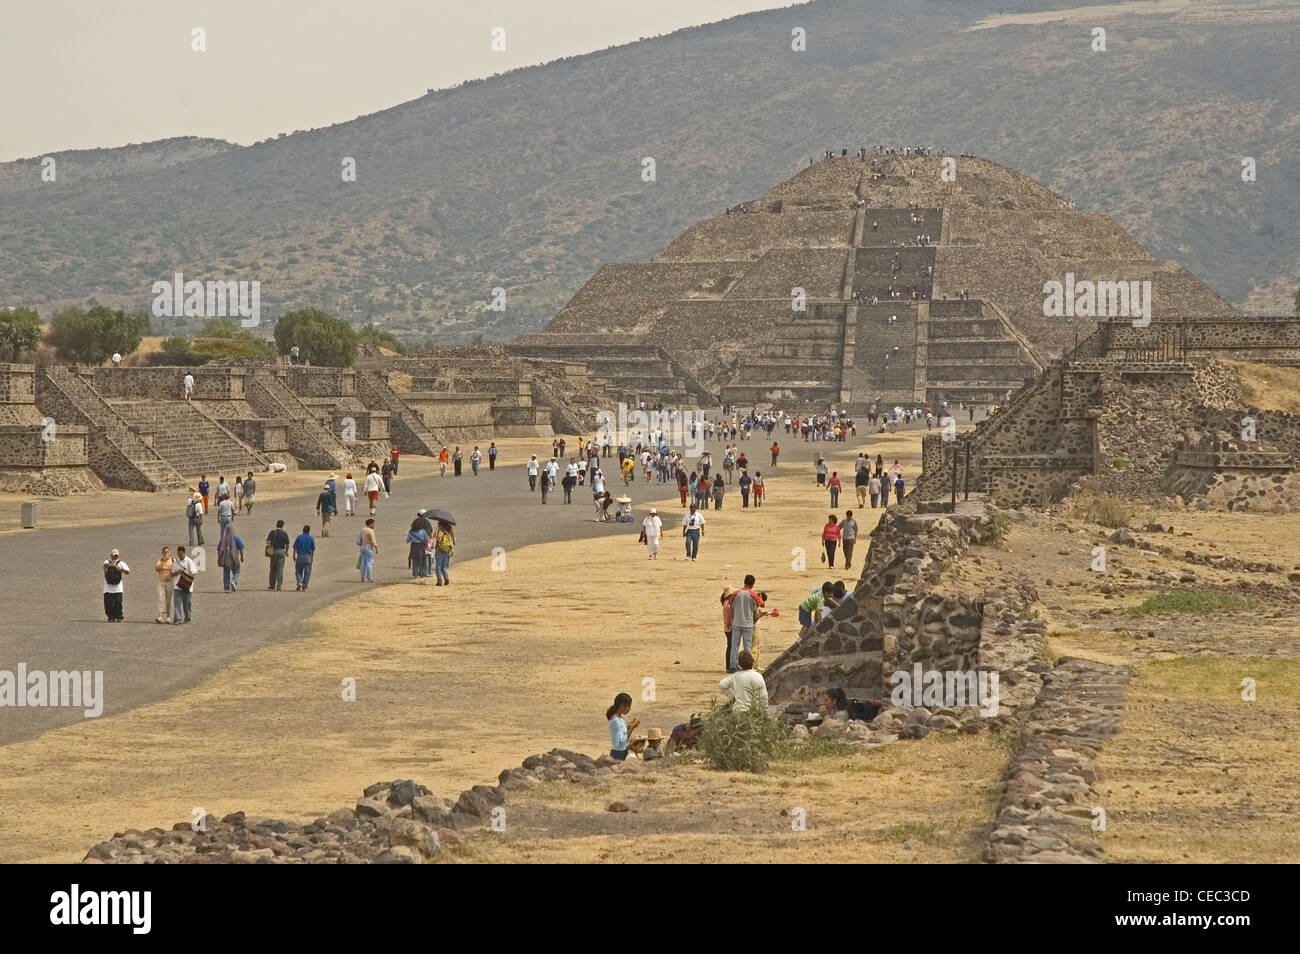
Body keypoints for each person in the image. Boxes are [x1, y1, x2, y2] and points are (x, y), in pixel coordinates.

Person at [727, 575, 765, 672]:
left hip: (736, 623)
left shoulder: (736, 593)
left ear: (744, 582)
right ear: (752, 584)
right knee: (747, 646)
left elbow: (731, 608)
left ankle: (733, 666)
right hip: (748, 624)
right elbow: (761, 604)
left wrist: (729, 621)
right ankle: (747, 666)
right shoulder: (752, 594)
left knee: (734, 645)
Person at [606, 692, 639, 761]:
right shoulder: (615, 721)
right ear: (622, 705)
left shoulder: (618, 718)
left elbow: (620, 732)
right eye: (629, 706)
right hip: (619, 754)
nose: (629, 709)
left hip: (620, 752)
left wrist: (629, 726)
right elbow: (621, 742)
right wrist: (632, 727)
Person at [171, 545, 197, 623]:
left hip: (186, 586)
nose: (179, 555)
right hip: (177, 586)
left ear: (184, 553)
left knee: (187, 603)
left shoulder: (189, 561)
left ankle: (187, 617)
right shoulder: (176, 562)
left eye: (181, 554)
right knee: (177, 603)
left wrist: (187, 579)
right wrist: (178, 572)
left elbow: (194, 573)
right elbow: (172, 574)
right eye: (178, 554)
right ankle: (178, 619)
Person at [102, 549, 129, 622]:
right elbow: (105, 565)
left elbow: (127, 571)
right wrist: (114, 566)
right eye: (114, 556)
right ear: (111, 555)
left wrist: (121, 570)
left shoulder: (121, 563)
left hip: (118, 588)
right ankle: (110, 617)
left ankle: (119, 616)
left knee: (118, 603)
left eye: (116, 556)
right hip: (108, 588)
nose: (115, 557)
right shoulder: (107, 561)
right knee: (108, 604)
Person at [217, 522, 244, 592]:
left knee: (226, 572)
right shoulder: (236, 538)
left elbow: (219, 550)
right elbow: (241, 549)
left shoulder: (222, 539)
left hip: (225, 559)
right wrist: (242, 557)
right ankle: (234, 581)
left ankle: (226, 588)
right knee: (236, 571)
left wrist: (219, 558)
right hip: (234, 558)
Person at [266, 520, 290, 590]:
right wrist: (286, 552)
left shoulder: (272, 532)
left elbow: (268, 542)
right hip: (281, 551)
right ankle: (279, 586)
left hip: (273, 551)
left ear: (276, 525)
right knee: (280, 569)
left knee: (272, 569)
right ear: (282, 526)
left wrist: (269, 549)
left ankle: (272, 585)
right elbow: (287, 545)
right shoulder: (284, 533)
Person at [292, 525, 315, 591]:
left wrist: (294, 556)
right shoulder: (311, 538)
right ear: (309, 531)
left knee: (298, 571)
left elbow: (295, 548)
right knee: (307, 572)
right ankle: (305, 587)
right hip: (308, 557)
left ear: (303, 530)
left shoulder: (299, 537)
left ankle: (299, 582)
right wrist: (312, 557)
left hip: (300, 556)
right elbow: (313, 550)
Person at [407, 519, 429, 583]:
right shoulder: (423, 531)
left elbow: (407, 541)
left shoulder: (411, 532)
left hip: (413, 547)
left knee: (415, 563)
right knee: (421, 563)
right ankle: (422, 578)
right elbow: (426, 540)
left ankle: (415, 578)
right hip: (421, 547)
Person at [433, 521, 455, 585]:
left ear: (441, 526)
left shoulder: (441, 532)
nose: (438, 526)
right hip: (447, 551)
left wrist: (436, 535)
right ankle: (446, 579)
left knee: (438, 567)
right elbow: (453, 542)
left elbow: (439, 540)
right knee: (444, 567)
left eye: (438, 525)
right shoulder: (450, 533)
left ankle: (439, 581)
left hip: (440, 551)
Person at [358, 518, 378, 582]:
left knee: (363, 563)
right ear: (369, 524)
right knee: (369, 562)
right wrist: (376, 547)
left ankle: (362, 577)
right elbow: (373, 540)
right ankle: (369, 578)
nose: (374, 525)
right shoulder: (370, 531)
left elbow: (359, 539)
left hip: (362, 547)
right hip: (368, 547)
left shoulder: (362, 529)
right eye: (373, 524)